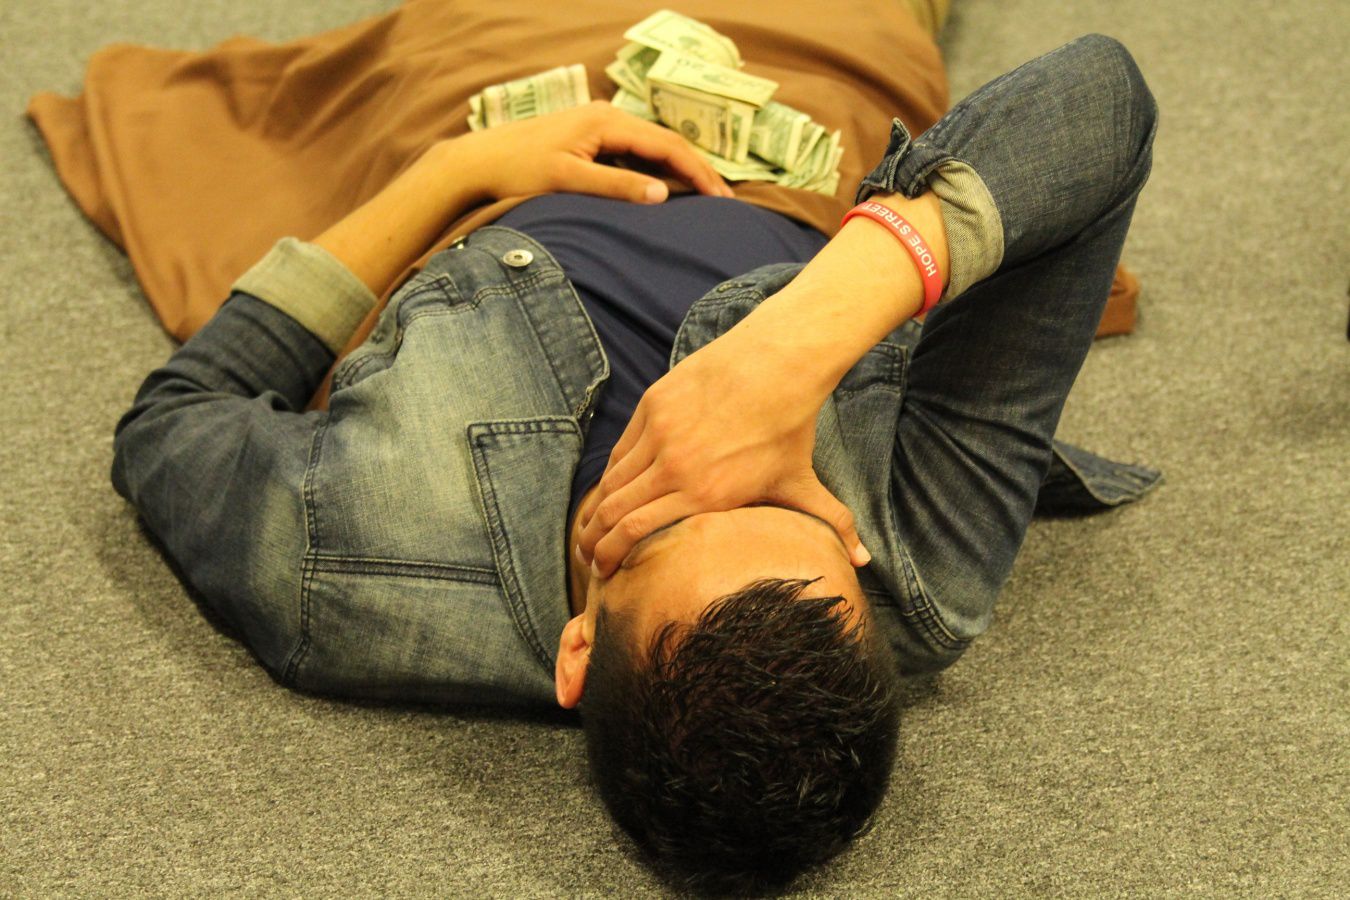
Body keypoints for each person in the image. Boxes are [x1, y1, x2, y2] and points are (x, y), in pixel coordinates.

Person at [111, 33, 1158, 892]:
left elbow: (174, 421)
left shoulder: (344, 568)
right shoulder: (924, 567)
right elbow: (1101, 103)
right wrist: (785, 360)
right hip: (818, 133)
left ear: (577, 655)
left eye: (661, 511)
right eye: (793, 499)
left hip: (512, 86)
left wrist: (454, 171)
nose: (711, 452)